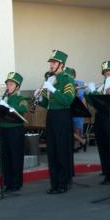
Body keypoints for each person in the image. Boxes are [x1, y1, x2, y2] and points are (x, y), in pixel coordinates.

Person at [39, 50, 75, 194]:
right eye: (51, 62)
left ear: (61, 64)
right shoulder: (51, 79)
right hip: (51, 115)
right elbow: (47, 103)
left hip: (62, 116)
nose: (51, 65)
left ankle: (63, 183)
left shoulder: (67, 79)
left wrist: (53, 89)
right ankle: (54, 183)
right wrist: (41, 96)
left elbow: (67, 100)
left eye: (53, 62)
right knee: (52, 150)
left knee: (61, 150)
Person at [0, 72, 29, 192]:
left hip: (15, 131)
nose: (8, 86)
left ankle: (16, 183)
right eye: (7, 84)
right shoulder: (2, 98)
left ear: (17, 87)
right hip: (3, 130)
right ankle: (7, 182)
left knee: (15, 156)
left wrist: (11, 108)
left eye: (11, 84)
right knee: (5, 156)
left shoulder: (21, 99)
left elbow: (24, 108)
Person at [85, 60, 110, 184]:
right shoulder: (102, 86)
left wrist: (94, 93)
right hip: (100, 117)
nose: (107, 74)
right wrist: (90, 93)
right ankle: (106, 171)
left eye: (109, 72)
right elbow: (93, 103)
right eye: (105, 72)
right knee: (102, 145)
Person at [64, 67, 87, 152]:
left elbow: (84, 95)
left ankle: (76, 146)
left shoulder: (80, 83)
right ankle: (82, 141)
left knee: (77, 128)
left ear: (74, 76)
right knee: (68, 128)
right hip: (67, 108)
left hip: (78, 108)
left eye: (70, 75)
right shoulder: (64, 83)